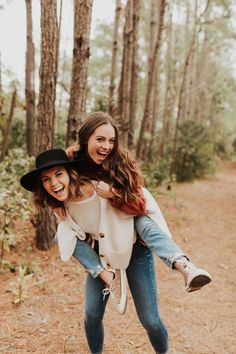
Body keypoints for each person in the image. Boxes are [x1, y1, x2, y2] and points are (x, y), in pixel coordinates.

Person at [20, 148, 170, 353]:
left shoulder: (99, 186)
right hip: (103, 255)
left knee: (150, 320)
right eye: (46, 179)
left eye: (58, 174)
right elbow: (70, 238)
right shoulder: (59, 205)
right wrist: (100, 270)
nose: (53, 183)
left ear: (71, 173)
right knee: (91, 314)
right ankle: (106, 280)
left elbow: (99, 146)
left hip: (133, 248)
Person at [67, 111, 212, 293]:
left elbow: (139, 206)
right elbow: (51, 185)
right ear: (86, 138)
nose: (107, 146)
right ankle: (107, 275)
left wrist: (113, 193)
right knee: (91, 316)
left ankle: (184, 266)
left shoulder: (121, 161)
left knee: (142, 221)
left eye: (111, 141)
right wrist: (58, 208)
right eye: (101, 139)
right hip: (102, 238)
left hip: (131, 227)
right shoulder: (71, 160)